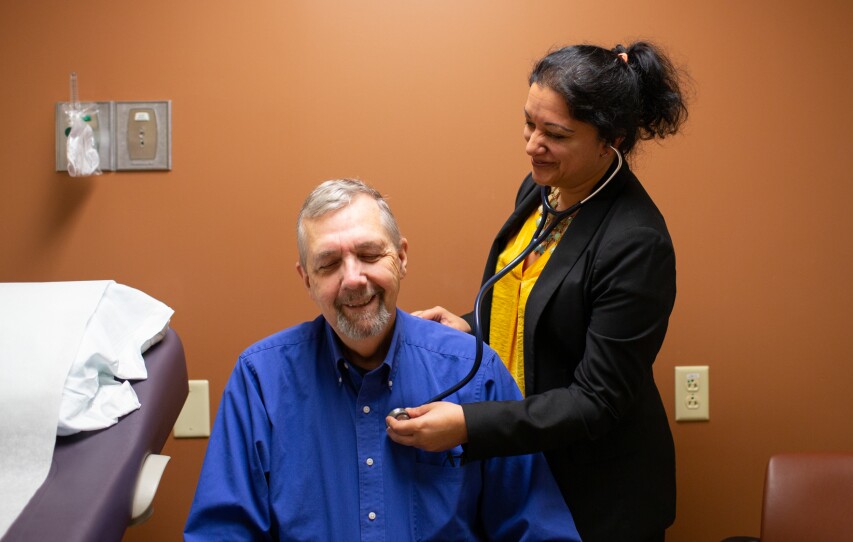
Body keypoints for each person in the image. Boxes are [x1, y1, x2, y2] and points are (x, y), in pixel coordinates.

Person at [386, 41, 689, 542]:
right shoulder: (543, 190)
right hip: (528, 469)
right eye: (529, 123)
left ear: (608, 140)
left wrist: (469, 426)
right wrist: (471, 323)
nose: (532, 144)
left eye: (555, 133)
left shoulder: (637, 242)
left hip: (599, 493)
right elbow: (537, 302)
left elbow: (597, 401)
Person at [184, 179, 580, 541]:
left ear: (402, 257)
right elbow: (222, 533)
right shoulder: (261, 380)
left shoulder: (474, 373)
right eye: (330, 264)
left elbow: (537, 528)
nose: (353, 278)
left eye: (369, 254)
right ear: (307, 279)